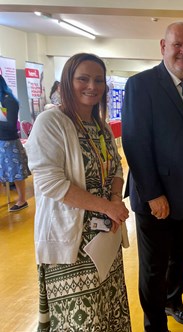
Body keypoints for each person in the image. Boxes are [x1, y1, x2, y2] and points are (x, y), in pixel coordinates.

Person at [122, 22, 183, 332]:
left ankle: (173, 301)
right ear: (163, 47)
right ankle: (155, 324)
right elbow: (135, 142)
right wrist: (152, 194)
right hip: (158, 196)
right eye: (177, 45)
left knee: (182, 257)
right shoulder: (142, 85)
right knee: (154, 266)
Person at [25, 53, 131, 331]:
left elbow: (117, 169)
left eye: (98, 80)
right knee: (82, 320)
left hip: (105, 238)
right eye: (82, 78)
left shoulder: (102, 128)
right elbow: (51, 184)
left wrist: (115, 201)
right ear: (65, 83)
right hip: (72, 244)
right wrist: (106, 207)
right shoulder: (51, 122)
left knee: (108, 310)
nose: (92, 86)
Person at [0, 75, 31, 212]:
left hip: (9, 142)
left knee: (16, 172)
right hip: (1, 141)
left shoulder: (9, 101)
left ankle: (22, 199)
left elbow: (12, 125)